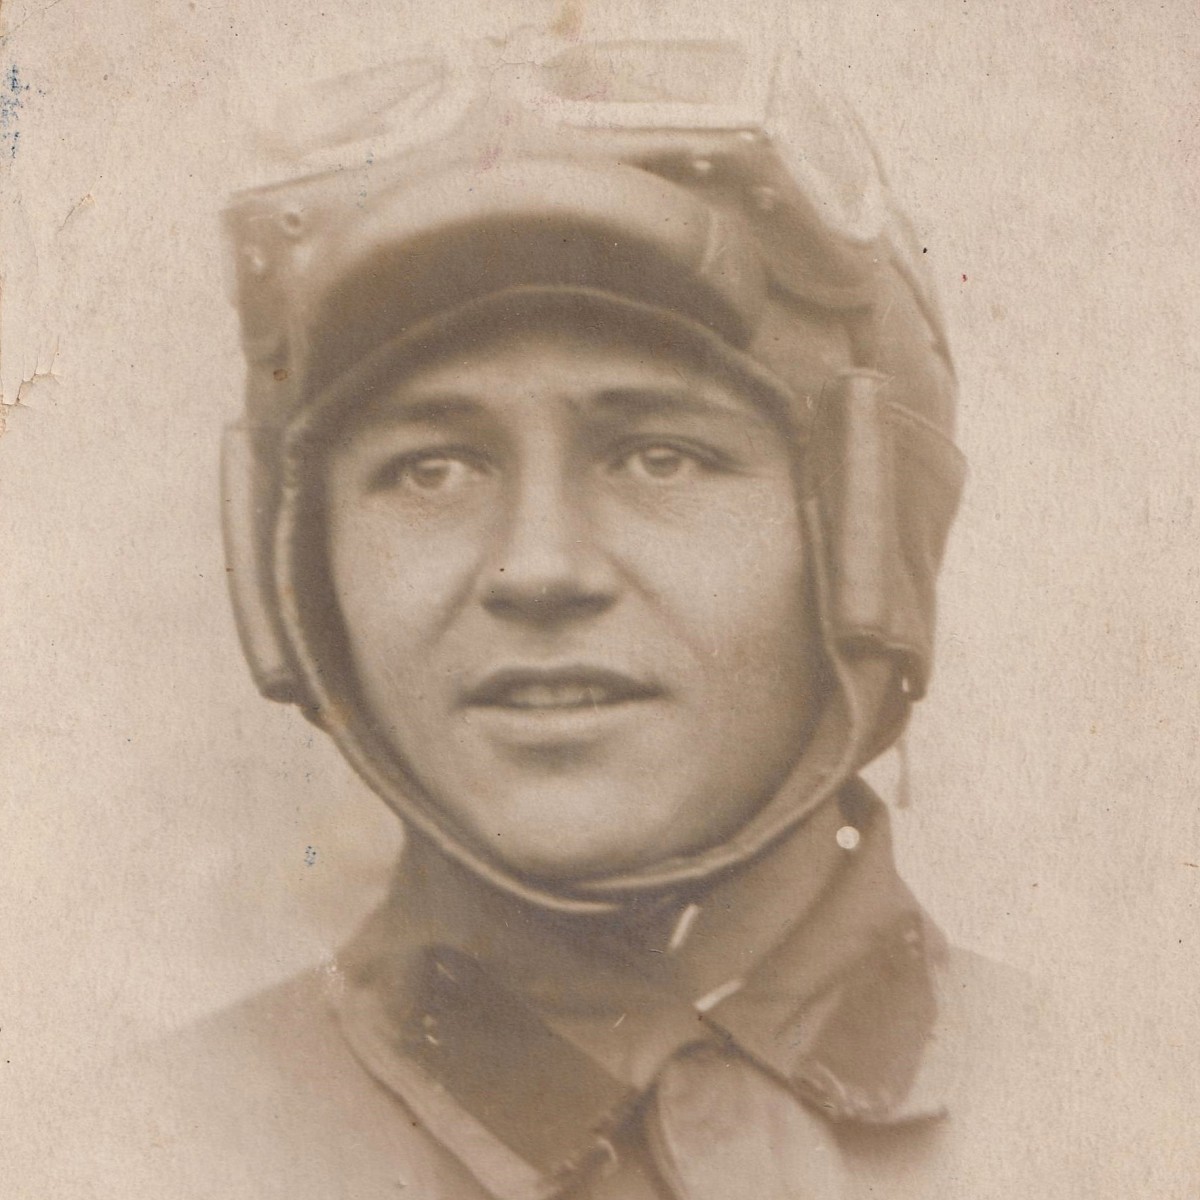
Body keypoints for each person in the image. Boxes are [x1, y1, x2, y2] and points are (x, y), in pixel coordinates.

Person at [96, 36, 1052, 1200]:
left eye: (661, 455)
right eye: (431, 470)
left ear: (866, 543)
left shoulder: (1137, 1114)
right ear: (293, 577)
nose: (537, 568)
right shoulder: (110, 1156)